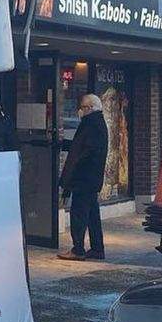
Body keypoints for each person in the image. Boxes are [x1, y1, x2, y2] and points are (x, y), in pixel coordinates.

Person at [57, 93, 109, 261]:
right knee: (92, 215)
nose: (80, 111)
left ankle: (78, 249)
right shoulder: (96, 124)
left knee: (79, 213)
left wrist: (73, 171)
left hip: (84, 178)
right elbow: (80, 147)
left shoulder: (91, 125)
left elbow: (84, 152)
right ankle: (97, 248)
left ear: (90, 108)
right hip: (91, 178)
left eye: (83, 107)